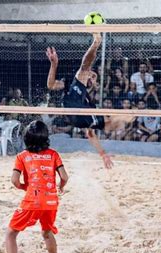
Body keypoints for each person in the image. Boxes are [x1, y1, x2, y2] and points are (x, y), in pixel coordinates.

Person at [45, 33, 114, 169]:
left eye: (94, 78)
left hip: (77, 115)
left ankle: (96, 43)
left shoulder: (89, 103)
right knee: (83, 69)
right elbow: (51, 85)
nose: (92, 78)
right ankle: (96, 42)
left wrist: (103, 154)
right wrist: (54, 64)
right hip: (70, 106)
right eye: (91, 75)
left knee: (98, 125)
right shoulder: (71, 82)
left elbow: (90, 134)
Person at [5, 120, 69, 253]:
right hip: (51, 201)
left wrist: (24, 187)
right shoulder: (53, 154)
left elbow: (14, 180)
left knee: (10, 234)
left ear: (26, 138)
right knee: (47, 232)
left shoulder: (22, 156)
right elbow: (64, 177)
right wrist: (61, 187)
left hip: (32, 200)